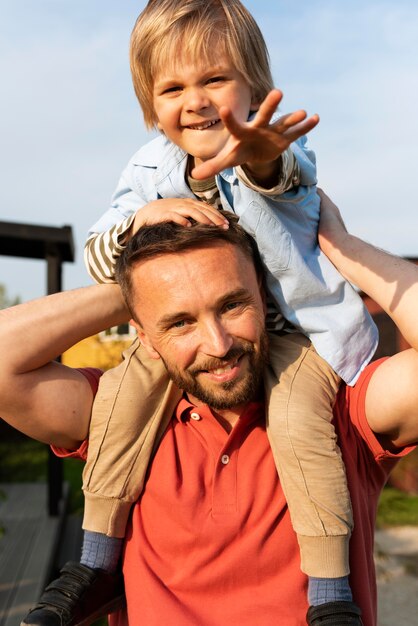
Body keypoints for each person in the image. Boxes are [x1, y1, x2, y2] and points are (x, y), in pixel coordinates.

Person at [79, 1, 377, 622]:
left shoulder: (274, 147)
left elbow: (281, 176)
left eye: (215, 80)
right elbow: (99, 254)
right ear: (150, 104)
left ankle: (328, 592)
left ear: (253, 86)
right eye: (172, 88)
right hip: (196, 332)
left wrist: (261, 155)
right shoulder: (146, 168)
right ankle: (95, 557)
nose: (195, 101)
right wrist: (138, 220)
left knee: (298, 424)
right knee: (120, 392)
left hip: (291, 335)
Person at [0, 193, 417, 626]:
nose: (218, 345)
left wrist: (338, 248)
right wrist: (144, 290)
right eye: (180, 322)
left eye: (232, 304)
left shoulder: (338, 412)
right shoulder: (122, 422)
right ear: (144, 336)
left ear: (264, 294)